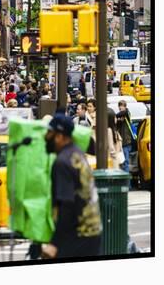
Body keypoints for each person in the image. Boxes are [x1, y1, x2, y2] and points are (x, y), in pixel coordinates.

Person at [42, 113, 102, 259]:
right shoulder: (77, 153)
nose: (46, 137)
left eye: (50, 133)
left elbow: (66, 205)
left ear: (60, 137)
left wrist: (54, 243)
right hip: (92, 233)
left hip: (77, 236)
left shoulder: (62, 162)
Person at [116, 100, 135, 175]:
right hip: (121, 142)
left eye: (122, 106)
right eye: (119, 106)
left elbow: (122, 113)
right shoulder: (120, 117)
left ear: (125, 106)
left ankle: (127, 184)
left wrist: (114, 116)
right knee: (123, 162)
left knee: (125, 162)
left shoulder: (126, 113)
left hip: (126, 142)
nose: (120, 107)